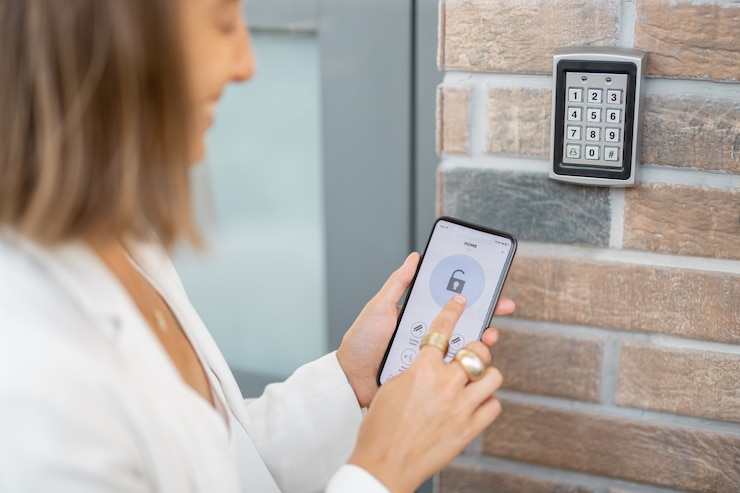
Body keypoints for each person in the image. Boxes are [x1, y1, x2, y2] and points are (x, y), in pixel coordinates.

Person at [0, 0, 514, 492]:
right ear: (102, 46)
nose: (246, 64)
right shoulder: (31, 383)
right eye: (223, 24)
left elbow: (219, 465)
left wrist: (350, 380)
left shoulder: (121, 238)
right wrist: (381, 471)